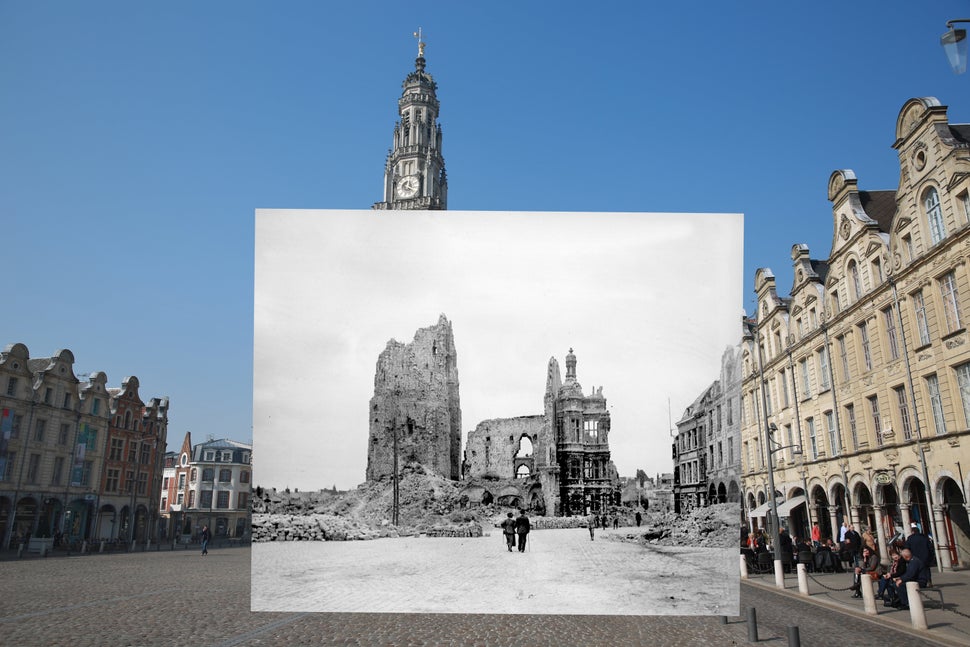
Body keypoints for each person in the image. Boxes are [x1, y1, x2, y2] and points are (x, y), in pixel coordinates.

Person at [905, 522, 933, 587]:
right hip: (925, 557)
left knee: (916, 570)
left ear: (913, 532)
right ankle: (929, 581)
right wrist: (930, 556)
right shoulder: (925, 538)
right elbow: (930, 547)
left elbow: (907, 548)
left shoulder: (910, 538)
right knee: (926, 570)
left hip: (915, 557)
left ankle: (919, 582)